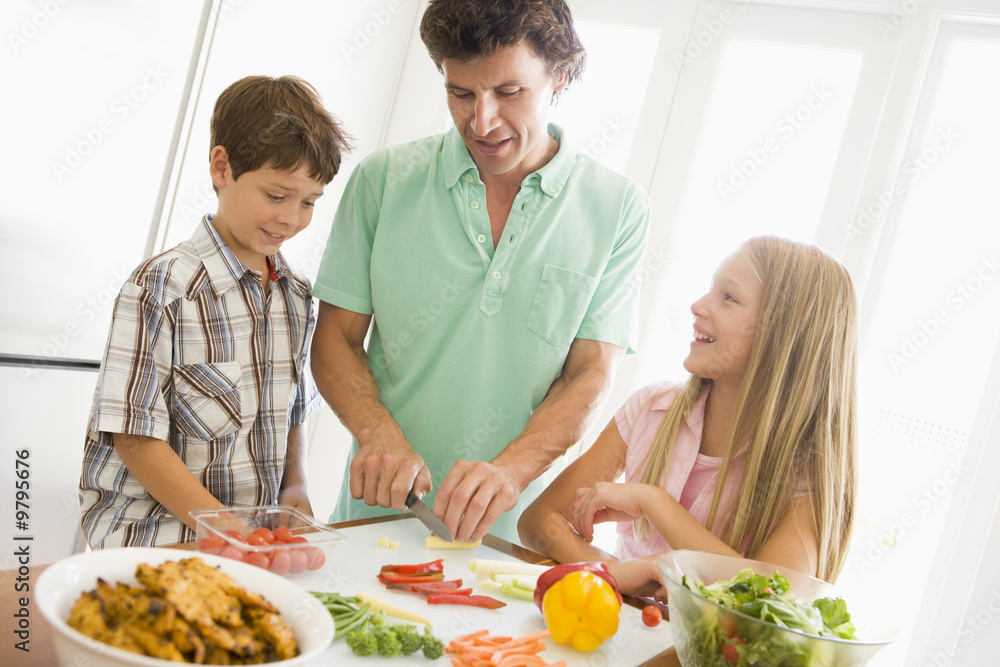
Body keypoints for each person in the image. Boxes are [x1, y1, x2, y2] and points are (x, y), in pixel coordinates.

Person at [311, 0, 651, 545]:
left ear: (560, 77)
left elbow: (590, 373)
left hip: (512, 541)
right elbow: (335, 339)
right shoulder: (384, 180)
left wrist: (510, 471)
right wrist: (378, 435)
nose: (482, 121)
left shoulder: (617, 207)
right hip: (374, 521)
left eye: (509, 92)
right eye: (461, 92)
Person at [79, 75, 353, 548]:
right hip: (156, 538)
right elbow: (135, 438)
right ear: (222, 168)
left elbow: (289, 416)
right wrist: (227, 530)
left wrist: (297, 490)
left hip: (250, 542)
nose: (291, 218)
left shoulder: (296, 297)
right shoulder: (161, 287)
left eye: (309, 202)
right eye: (276, 195)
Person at [518, 236, 858, 596]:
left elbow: (775, 602)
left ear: (785, 332)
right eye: (711, 289)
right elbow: (538, 522)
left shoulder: (807, 472)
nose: (698, 305)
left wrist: (654, 502)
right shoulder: (654, 409)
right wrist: (615, 572)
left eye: (729, 297)